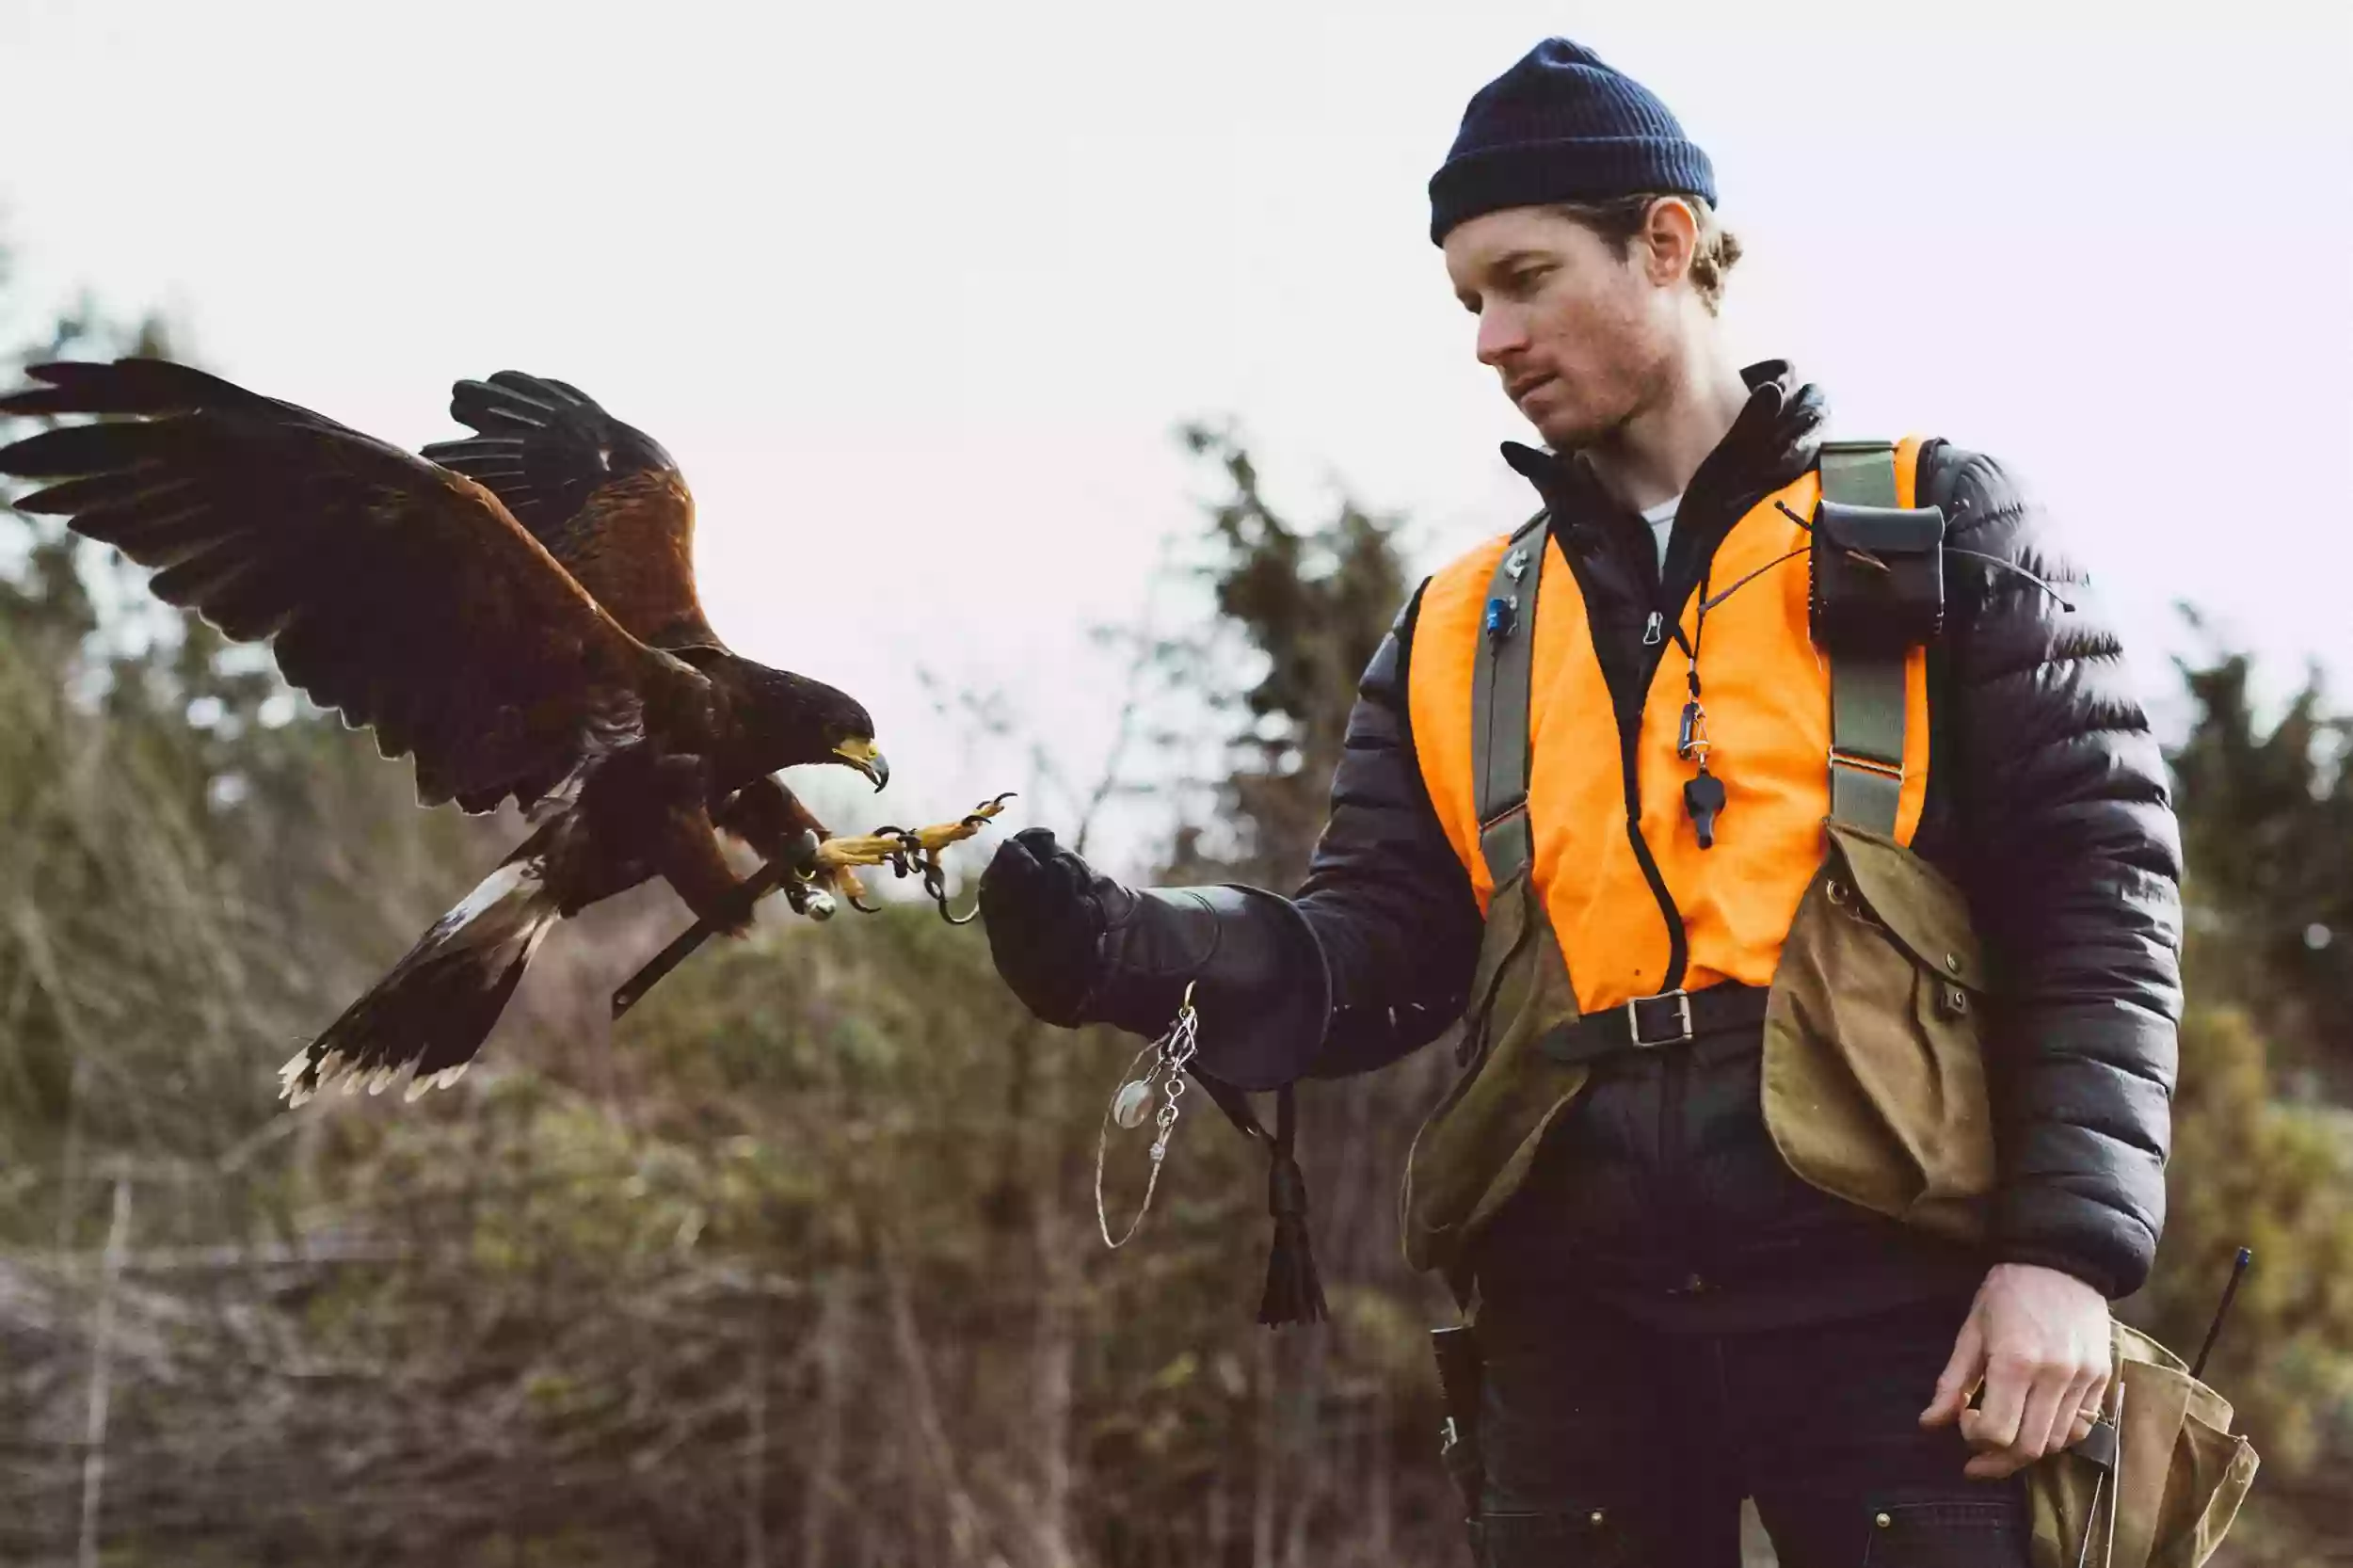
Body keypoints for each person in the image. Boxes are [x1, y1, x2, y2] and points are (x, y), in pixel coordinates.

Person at [977, 37, 2181, 1567]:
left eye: (1524, 278)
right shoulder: (1468, 618)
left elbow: (2100, 897)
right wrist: (1136, 948)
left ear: (1666, 242)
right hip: (1575, 1319)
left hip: (1899, 1314)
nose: (1489, 335)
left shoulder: (1936, 520)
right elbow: (1376, 945)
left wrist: (2066, 1255)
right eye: (1468, 299)